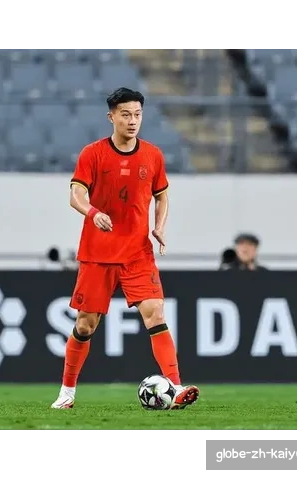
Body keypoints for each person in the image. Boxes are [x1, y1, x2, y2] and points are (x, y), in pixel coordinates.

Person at [51, 87, 199, 410]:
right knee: (85, 325)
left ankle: (175, 388)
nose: (132, 121)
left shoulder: (153, 155)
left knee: (155, 313)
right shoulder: (92, 154)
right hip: (98, 254)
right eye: (126, 115)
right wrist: (93, 212)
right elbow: (75, 194)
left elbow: (162, 195)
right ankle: (67, 392)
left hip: (137, 253)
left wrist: (159, 226)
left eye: (137, 115)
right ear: (112, 117)